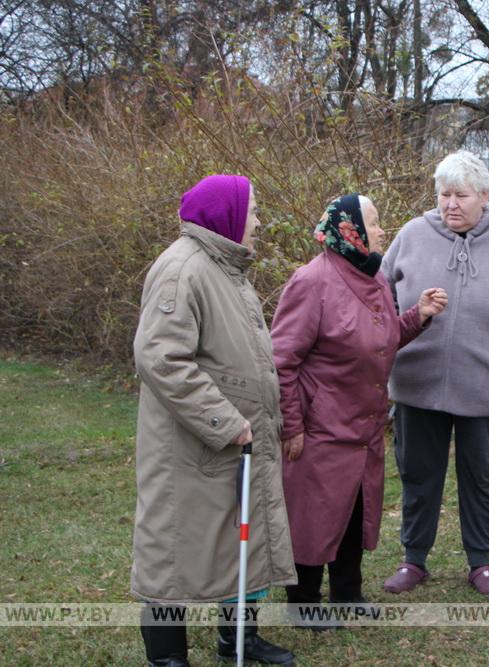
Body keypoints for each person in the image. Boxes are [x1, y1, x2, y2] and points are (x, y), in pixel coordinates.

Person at [132, 174, 296, 666]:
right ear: (227, 215)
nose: (259, 222)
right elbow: (160, 356)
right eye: (253, 212)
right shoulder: (183, 269)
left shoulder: (227, 271)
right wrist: (225, 421)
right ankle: (167, 656)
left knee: (238, 539)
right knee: (172, 547)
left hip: (233, 442)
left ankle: (238, 640)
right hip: (191, 445)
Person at [381, 151, 489, 597]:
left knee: (483, 479)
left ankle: (481, 563)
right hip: (417, 387)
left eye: (461, 195)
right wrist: (385, 355)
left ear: (484, 195)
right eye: (444, 194)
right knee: (419, 477)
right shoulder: (413, 234)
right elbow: (378, 294)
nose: (451, 204)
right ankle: (413, 560)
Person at [270, 194, 447, 627]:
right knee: (314, 515)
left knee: (354, 511)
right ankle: (304, 603)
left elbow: (380, 340)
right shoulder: (311, 281)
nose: (383, 229)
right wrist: (292, 425)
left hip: (363, 426)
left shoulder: (375, 277)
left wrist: (418, 316)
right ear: (349, 229)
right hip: (320, 427)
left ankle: (347, 594)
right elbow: (281, 361)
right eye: (374, 221)